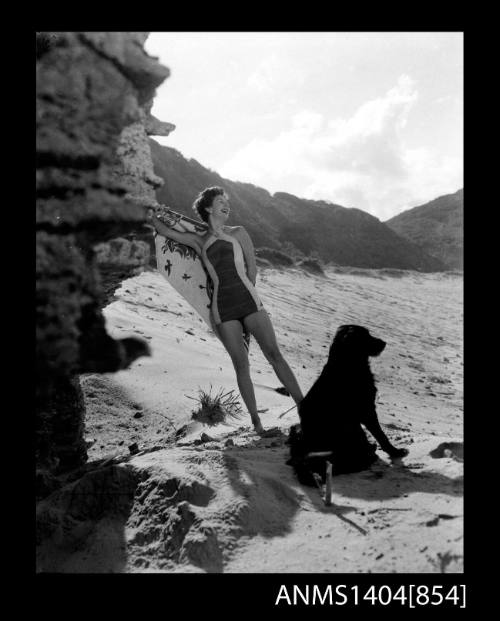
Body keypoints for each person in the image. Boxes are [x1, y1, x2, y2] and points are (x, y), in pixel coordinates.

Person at [147, 186, 304, 436]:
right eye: (221, 201)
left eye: (227, 202)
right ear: (209, 208)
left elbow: (252, 269)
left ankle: (305, 411)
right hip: (223, 308)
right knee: (241, 364)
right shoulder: (200, 241)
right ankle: (257, 424)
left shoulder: (239, 233)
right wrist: (155, 214)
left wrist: (250, 296)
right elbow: (167, 231)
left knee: (274, 354)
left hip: (249, 301)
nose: (226, 205)